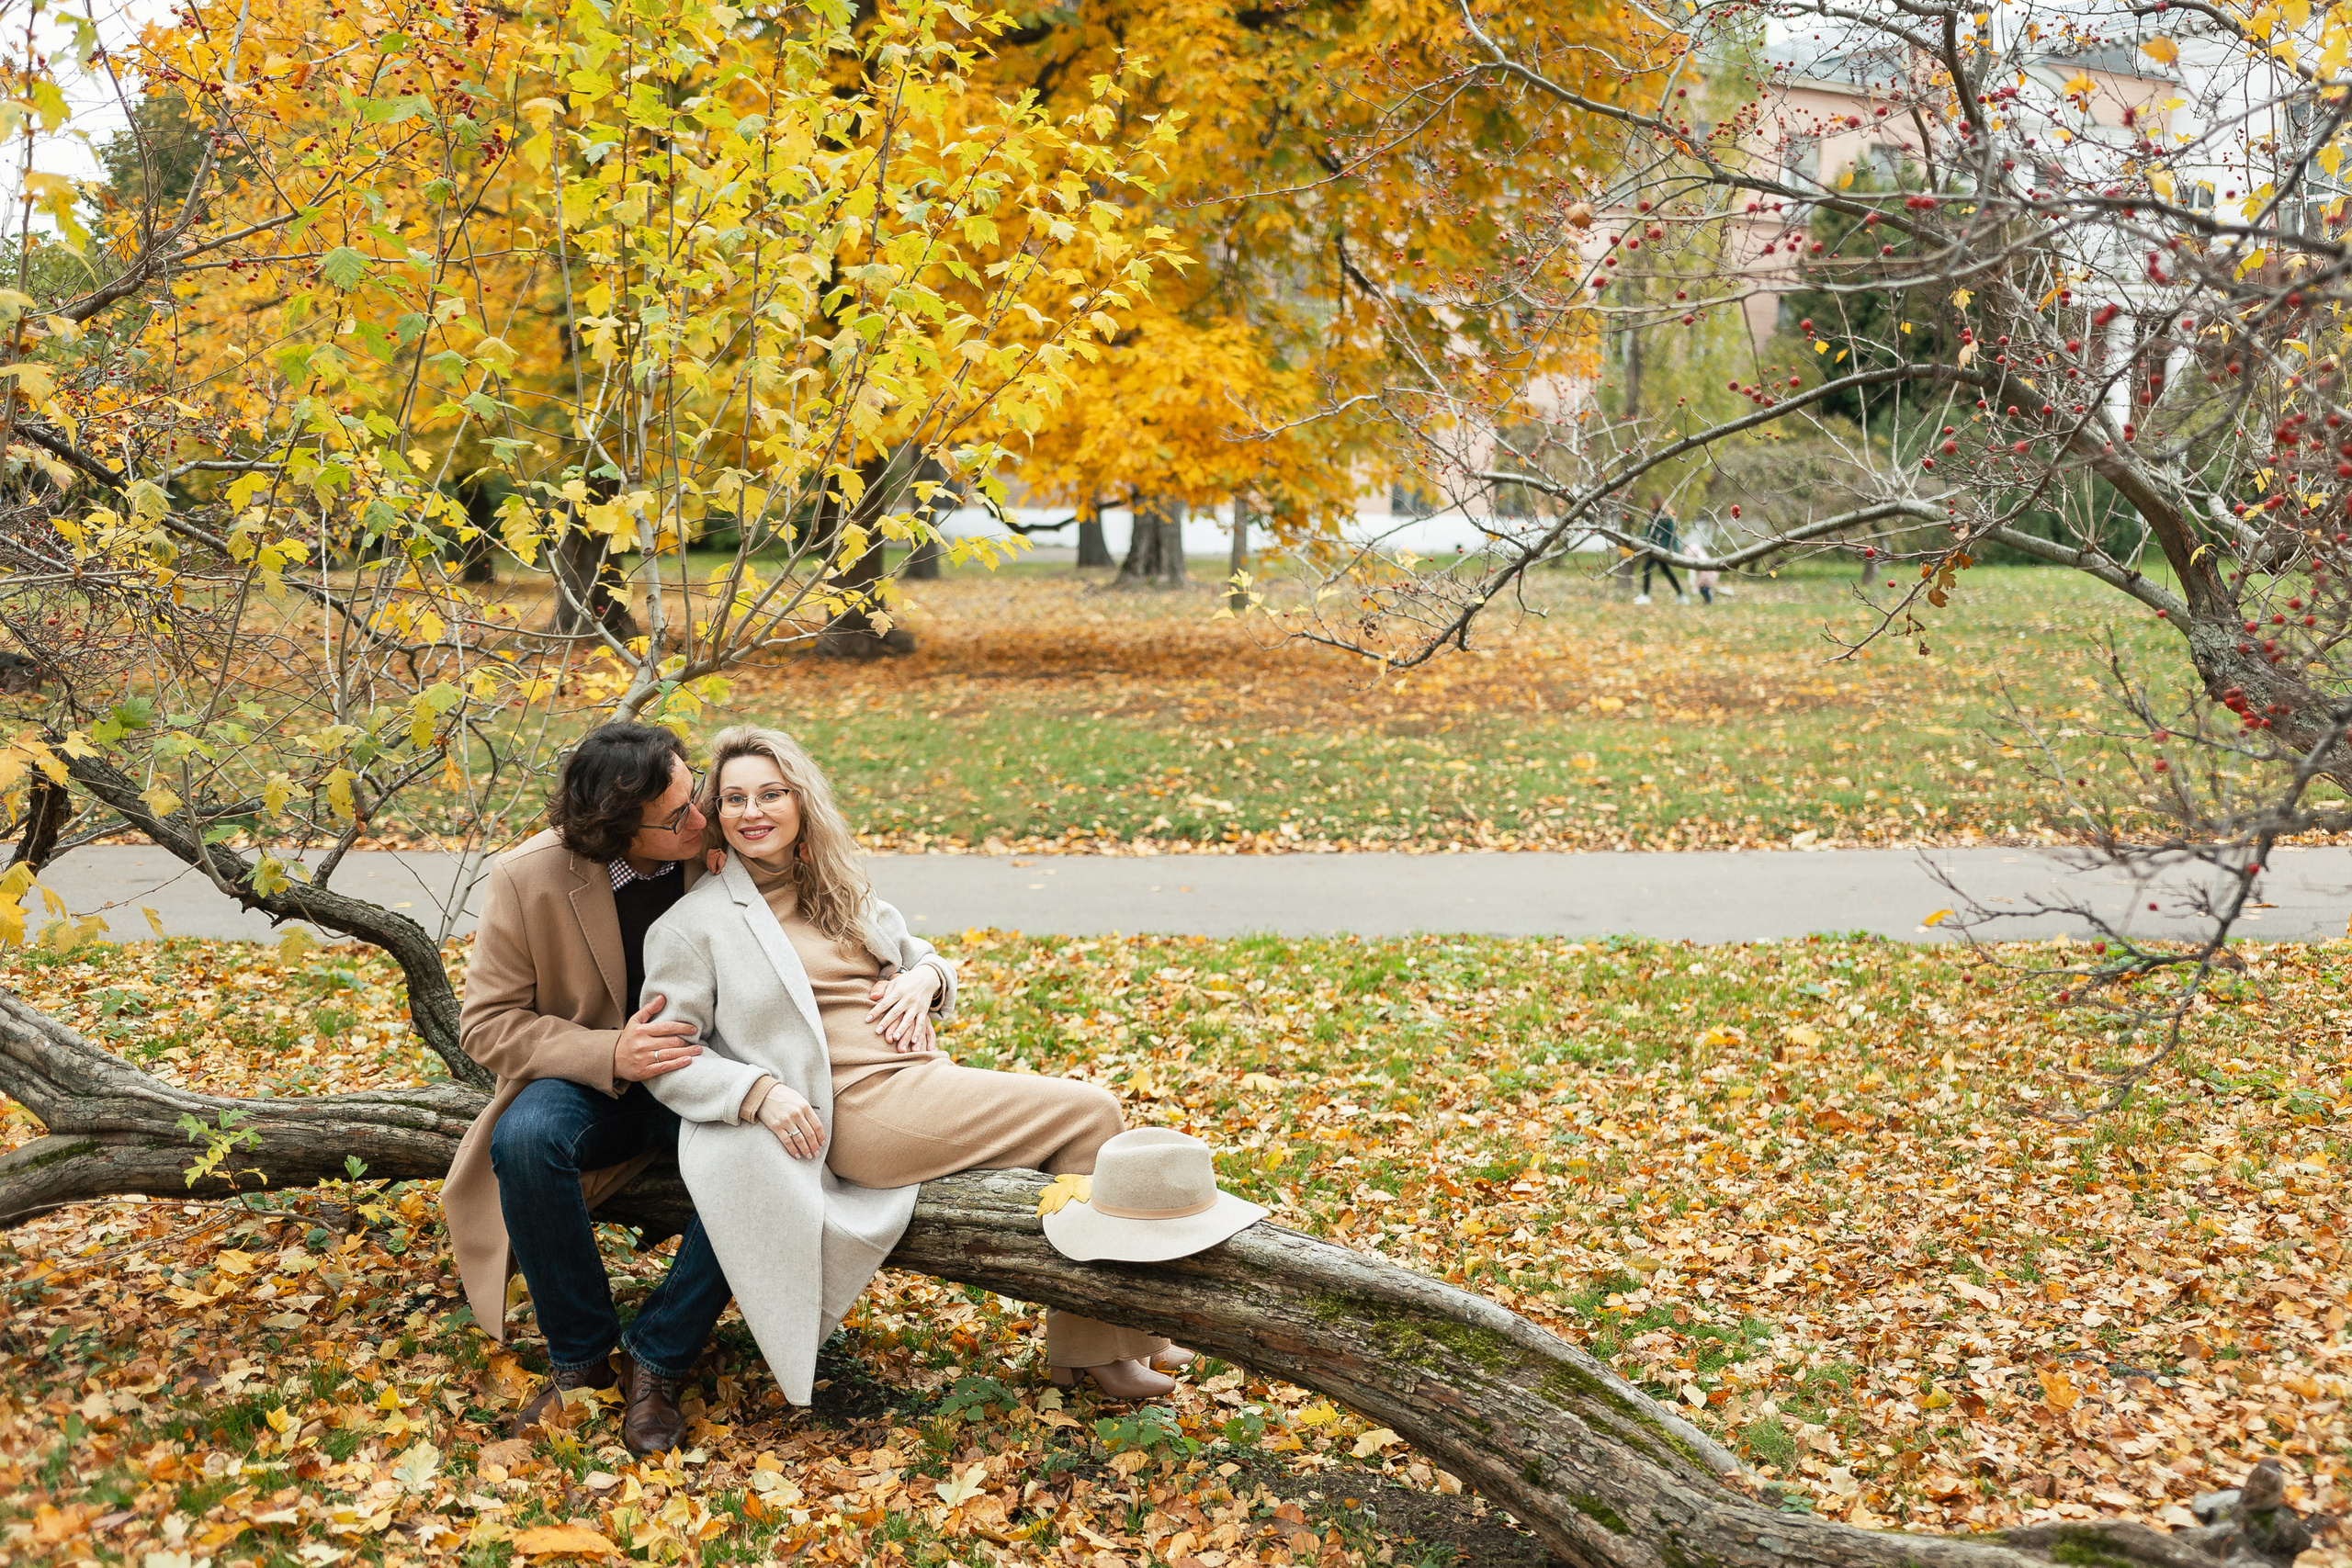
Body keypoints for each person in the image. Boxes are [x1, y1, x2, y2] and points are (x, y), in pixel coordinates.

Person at [640, 725, 1194, 1404]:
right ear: (716, 815)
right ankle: (1097, 1353)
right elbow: (667, 1057)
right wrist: (756, 1092)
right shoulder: (695, 924)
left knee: (1090, 1120)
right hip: (856, 1108)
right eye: (734, 799)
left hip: (918, 1081)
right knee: (1093, 1112)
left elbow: (923, 953)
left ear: (800, 800)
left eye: (770, 793)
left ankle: (1109, 1337)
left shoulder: (835, 887)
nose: (753, 812)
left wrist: (925, 981)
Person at [439, 723, 733, 1456]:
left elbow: (843, 911)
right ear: (617, 831)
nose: (701, 819)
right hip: (597, 1079)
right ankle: (581, 1357)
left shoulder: (726, 842)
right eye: (677, 817)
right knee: (527, 1137)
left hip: (717, 1075)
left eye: (694, 794)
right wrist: (611, 1052)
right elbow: (487, 1024)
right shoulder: (526, 876)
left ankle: (658, 1357)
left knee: (767, 1155)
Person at [1634, 497, 1686, 604]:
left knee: (1647, 568)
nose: (1651, 504)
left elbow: (1672, 534)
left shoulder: (1665, 517)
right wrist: (1640, 541)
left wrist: (1674, 550)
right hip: (1654, 548)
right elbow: (1648, 532)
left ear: (1656, 502)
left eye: (1652, 502)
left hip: (1662, 549)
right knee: (1666, 572)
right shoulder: (1653, 516)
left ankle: (1645, 595)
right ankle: (1681, 595)